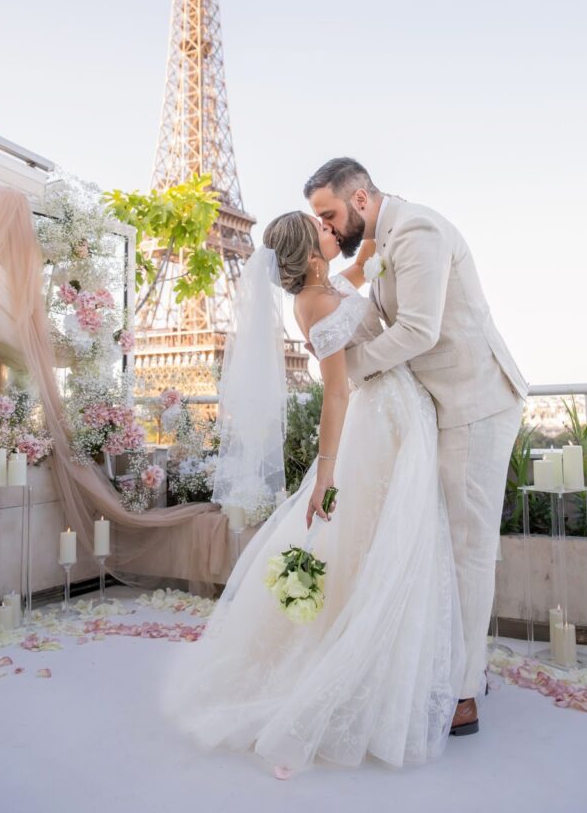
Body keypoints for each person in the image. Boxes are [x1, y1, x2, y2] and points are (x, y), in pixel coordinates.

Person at [162, 211, 466, 777]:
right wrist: (326, 472)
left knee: (383, 541)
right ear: (312, 248)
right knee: (385, 541)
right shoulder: (317, 304)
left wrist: (380, 228)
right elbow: (335, 395)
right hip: (379, 418)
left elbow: (359, 268)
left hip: (394, 410)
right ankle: (355, 675)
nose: (333, 228)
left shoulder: (325, 289)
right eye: (323, 226)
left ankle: (391, 667)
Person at [304, 157, 528, 735]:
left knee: (467, 546)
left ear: (358, 200)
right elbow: (375, 311)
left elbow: (420, 330)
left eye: (327, 213)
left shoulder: (420, 230)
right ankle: (449, 667)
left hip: (476, 402)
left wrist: (348, 370)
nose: (326, 226)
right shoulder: (384, 240)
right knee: (439, 541)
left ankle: (462, 691)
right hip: (434, 407)